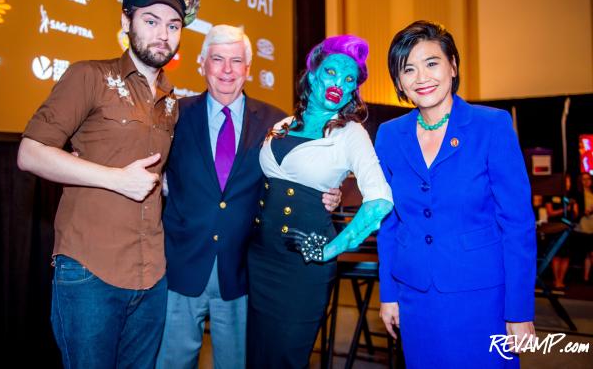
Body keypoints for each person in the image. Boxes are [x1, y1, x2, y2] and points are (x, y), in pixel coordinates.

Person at [17, 0, 199, 368]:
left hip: (152, 273)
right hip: (90, 270)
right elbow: (30, 153)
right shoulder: (89, 76)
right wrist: (116, 178)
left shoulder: (171, 103)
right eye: (151, 21)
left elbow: (156, 173)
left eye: (172, 25)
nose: (162, 34)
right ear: (127, 21)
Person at [155, 25, 342, 369]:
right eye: (218, 60)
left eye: (236, 61)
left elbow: (306, 174)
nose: (227, 70)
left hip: (244, 268)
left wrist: (331, 194)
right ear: (202, 65)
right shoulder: (173, 115)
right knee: (171, 362)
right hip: (181, 262)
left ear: (248, 69)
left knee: (239, 364)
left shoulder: (279, 123)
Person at [375, 20, 536, 368]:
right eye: (409, 69)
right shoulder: (389, 135)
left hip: (482, 297)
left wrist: (519, 310)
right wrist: (388, 295)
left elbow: (518, 224)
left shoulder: (492, 125)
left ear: (453, 65)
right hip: (415, 295)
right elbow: (388, 222)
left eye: (432, 63)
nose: (422, 77)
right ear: (399, 81)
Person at [246, 35, 394, 368]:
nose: (338, 84)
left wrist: (330, 249)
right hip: (260, 259)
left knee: (287, 357)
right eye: (331, 73)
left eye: (349, 80)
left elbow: (381, 199)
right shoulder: (281, 126)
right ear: (312, 75)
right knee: (257, 356)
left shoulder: (349, 133)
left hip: (303, 268)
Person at [574, 172, 593, 283]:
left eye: (588, 179)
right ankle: (586, 277)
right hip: (583, 226)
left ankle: (587, 277)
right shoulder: (578, 194)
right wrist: (584, 212)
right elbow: (575, 214)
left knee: (591, 253)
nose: (586, 181)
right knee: (588, 253)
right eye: (584, 179)